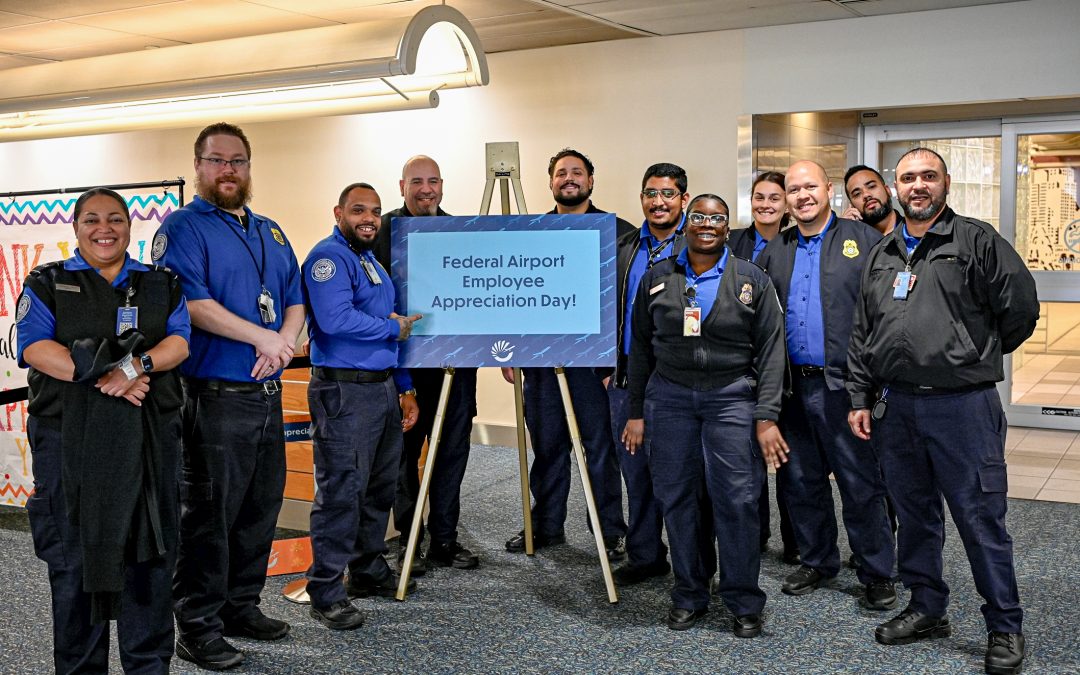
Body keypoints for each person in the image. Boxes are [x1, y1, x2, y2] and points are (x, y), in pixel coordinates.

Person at [847, 148, 1037, 675]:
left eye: (927, 176)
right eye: (907, 178)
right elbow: (864, 334)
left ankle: (1004, 624)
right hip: (898, 407)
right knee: (915, 518)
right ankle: (927, 607)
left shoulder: (975, 241)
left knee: (980, 520)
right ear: (895, 187)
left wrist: (972, 355)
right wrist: (860, 396)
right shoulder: (882, 253)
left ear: (945, 182)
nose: (917, 186)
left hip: (963, 407)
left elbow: (1020, 308)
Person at [18, 188, 190, 673]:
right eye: (91, 219)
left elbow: (180, 340)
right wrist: (107, 377)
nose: (104, 228)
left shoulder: (160, 282)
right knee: (75, 565)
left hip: (150, 446)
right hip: (70, 445)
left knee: (150, 561)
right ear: (75, 228)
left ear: (129, 227)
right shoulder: (48, 282)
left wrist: (137, 367)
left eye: (115, 219)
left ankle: (148, 664)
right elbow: (34, 347)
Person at [153, 122, 304, 670]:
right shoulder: (183, 228)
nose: (228, 170)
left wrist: (284, 341)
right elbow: (189, 304)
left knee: (259, 508)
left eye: (237, 161)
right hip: (213, 395)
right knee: (208, 518)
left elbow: (293, 298)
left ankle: (242, 606)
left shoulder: (271, 230)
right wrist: (262, 336)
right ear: (198, 166)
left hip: (265, 391)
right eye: (217, 161)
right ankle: (196, 625)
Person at [623, 193, 786, 636]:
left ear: (727, 226)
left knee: (737, 500)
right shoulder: (658, 278)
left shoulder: (752, 279)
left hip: (732, 400)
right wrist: (636, 411)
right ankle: (690, 593)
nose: (707, 224)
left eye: (717, 218)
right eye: (699, 217)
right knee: (678, 498)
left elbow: (773, 352)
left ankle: (742, 599)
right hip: (670, 401)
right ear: (687, 224)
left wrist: (766, 414)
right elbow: (639, 348)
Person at [756, 160, 897, 611]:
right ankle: (818, 559)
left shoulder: (866, 242)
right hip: (793, 390)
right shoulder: (775, 250)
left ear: (828, 189)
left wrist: (872, 387)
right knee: (801, 481)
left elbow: (885, 316)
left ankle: (876, 570)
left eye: (810, 186)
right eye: (793, 189)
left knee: (860, 484)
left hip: (846, 389)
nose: (802, 196)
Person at [303, 182, 422, 630]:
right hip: (344, 393)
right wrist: (392, 328)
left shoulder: (368, 260)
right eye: (358, 210)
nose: (369, 218)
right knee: (341, 494)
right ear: (339, 213)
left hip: (380, 388)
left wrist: (403, 386)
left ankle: (367, 570)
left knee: (378, 487)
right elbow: (335, 321)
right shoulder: (328, 259)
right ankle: (325, 589)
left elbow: (390, 324)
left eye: (374, 210)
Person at [502, 148, 629, 559]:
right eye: (561, 173)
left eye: (577, 172)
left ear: (591, 181)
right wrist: (513, 350)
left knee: (600, 448)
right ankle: (546, 525)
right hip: (541, 363)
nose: (568, 179)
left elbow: (626, 302)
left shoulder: (618, 232)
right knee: (548, 446)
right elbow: (515, 293)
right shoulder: (531, 233)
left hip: (595, 367)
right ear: (551, 182)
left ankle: (609, 530)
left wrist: (617, 362)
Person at [375, 155, 481, 574]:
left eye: (432, 181)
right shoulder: (382, 233)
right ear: (402, 185)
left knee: (451, 454)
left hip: (456, 369)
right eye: (416, 181)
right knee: (403, 456)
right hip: (405, 370)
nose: (425, 189)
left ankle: (445, 539)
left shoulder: (461, 234)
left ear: (442, 185)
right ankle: (409, 538)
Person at [607, 162, 689, 585]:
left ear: (683, 200)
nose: (658, 202)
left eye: (668, 194)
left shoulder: (698, 245)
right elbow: (605, 310)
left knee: (682, 478)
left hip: (678, 385)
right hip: (627, 384)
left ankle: (693, 564)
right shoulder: (624, 247)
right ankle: (645, 555)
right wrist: (610, 368)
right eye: (651, 193)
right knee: (635, 474)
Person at [726, 170, 799, 565]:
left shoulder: (794, 242)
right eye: (759, 197)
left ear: (786, 203)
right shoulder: (733, 242)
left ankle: (795, 540)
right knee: (746, 461)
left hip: (785, 362)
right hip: (739, 362)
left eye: (774, 197)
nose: (766, 204)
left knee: (788, 458)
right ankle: (753, 534)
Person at [727, 171, 789, 262]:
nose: (765, 205)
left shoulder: (794, 248)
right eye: (759, 198)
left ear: (787, 206)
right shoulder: (729, 241)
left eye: (774, 199)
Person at [843, 165, 901, 235]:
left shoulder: (911, 231)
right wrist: (843, 232)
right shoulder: (852, 240)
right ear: (852, 206)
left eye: (872, 186)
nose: (866, 195)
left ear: (887, 190)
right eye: (857, 194)